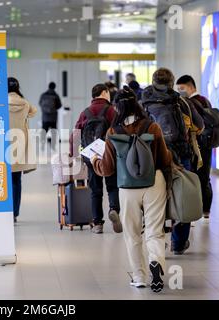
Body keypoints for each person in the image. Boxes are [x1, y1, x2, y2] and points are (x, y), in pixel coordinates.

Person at [91, 86, 172, 292]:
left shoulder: (113, 132)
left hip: (127, 187)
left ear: (117, 108)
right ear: (136, 104)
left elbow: (107, 169)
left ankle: (139, 277)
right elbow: (164, 159)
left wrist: (94, 160)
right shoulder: (152, 127)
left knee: (133, 233)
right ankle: (156, 263)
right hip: (154, 182)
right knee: (154, 230)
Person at [142, 68, 204, 255]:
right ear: (171, 83)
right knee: (182, 196)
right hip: (180, 156)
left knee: (155, 200)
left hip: (153, 157)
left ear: (153, 82)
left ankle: (158, 242)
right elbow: (199, 126)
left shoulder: (143, 103)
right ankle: (178, 243)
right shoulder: (181, 101)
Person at [70, 84, 121, 234]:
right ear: (104, 93)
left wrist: (73, 153)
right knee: (112, 186)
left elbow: (76, 134)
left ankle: (97, 223)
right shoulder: (112, 111)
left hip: (91, 155)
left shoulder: (85, 112)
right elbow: (119, 131)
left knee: (95, 190)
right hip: (109, 154)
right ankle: (114, 209)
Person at [176, 75, 213, 219]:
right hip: (207, 144)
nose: (180, 91)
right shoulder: (206, 101)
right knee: (205, 177)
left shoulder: (188, 103)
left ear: (191, 87)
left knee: (192, 178)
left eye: (182, 88)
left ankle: (193, 213)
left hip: (195, 144)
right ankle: (206, 211)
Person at [8, 77, 38, 223]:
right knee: (16, 180)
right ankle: (14, 213)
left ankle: (3, 210)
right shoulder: (25, 103)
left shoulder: (0, 102)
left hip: (2, 144)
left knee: (3, 179)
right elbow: (34, 111)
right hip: (19, 143)